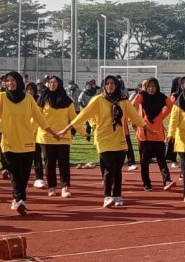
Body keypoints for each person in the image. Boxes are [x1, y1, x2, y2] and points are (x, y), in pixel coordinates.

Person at [0, 72, 59, 214]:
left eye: (13, 80)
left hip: (27, 143)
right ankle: (20, 200)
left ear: (19, 82)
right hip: (8, 143)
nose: (10, 83)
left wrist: (53, 133)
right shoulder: (1, 97)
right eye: (8, 80)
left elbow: (40, 118)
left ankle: (17, 198)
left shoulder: (28, 99)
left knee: (24, 175)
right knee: (15, 173)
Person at [59, 75, 148, 208]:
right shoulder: (98, 100)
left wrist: (148, 128)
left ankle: (117, 195)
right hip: (103, 138)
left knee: (117, 169)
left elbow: (135, 117)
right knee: (109, 167)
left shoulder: (123, 101)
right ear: (103, 86)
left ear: (117, 85)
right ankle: (107, 196)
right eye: (107, 83)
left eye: (112, 83)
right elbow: (83, 115)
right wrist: (67, 128)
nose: (110, 86)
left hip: (119, 138)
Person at [36, 76, 79, 198]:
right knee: (49, 163)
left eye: (55, 82)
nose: (52, 84)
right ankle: (52, 187)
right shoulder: (43, 99)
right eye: (50, 82)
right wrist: (29, 130)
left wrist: (84, 132)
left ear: (60, 84)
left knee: (63, 164)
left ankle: (65, 187)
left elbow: (74, 119)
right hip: (46, 137)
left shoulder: (67, 101)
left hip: (62, 137)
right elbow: (36, 117)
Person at [131, 78, 175, 192]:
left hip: (158, 135)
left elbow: (172, 107)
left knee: (162, 160)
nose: (151, 89)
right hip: (144, 136)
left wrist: (161, 117)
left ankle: (167, 180)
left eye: (153, 86)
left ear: (157, 87)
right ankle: (146, 183)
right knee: (144, 162)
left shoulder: (161, 97)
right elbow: (132, 105)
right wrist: (136, 120)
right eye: (149, 86)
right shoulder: (142, 96)